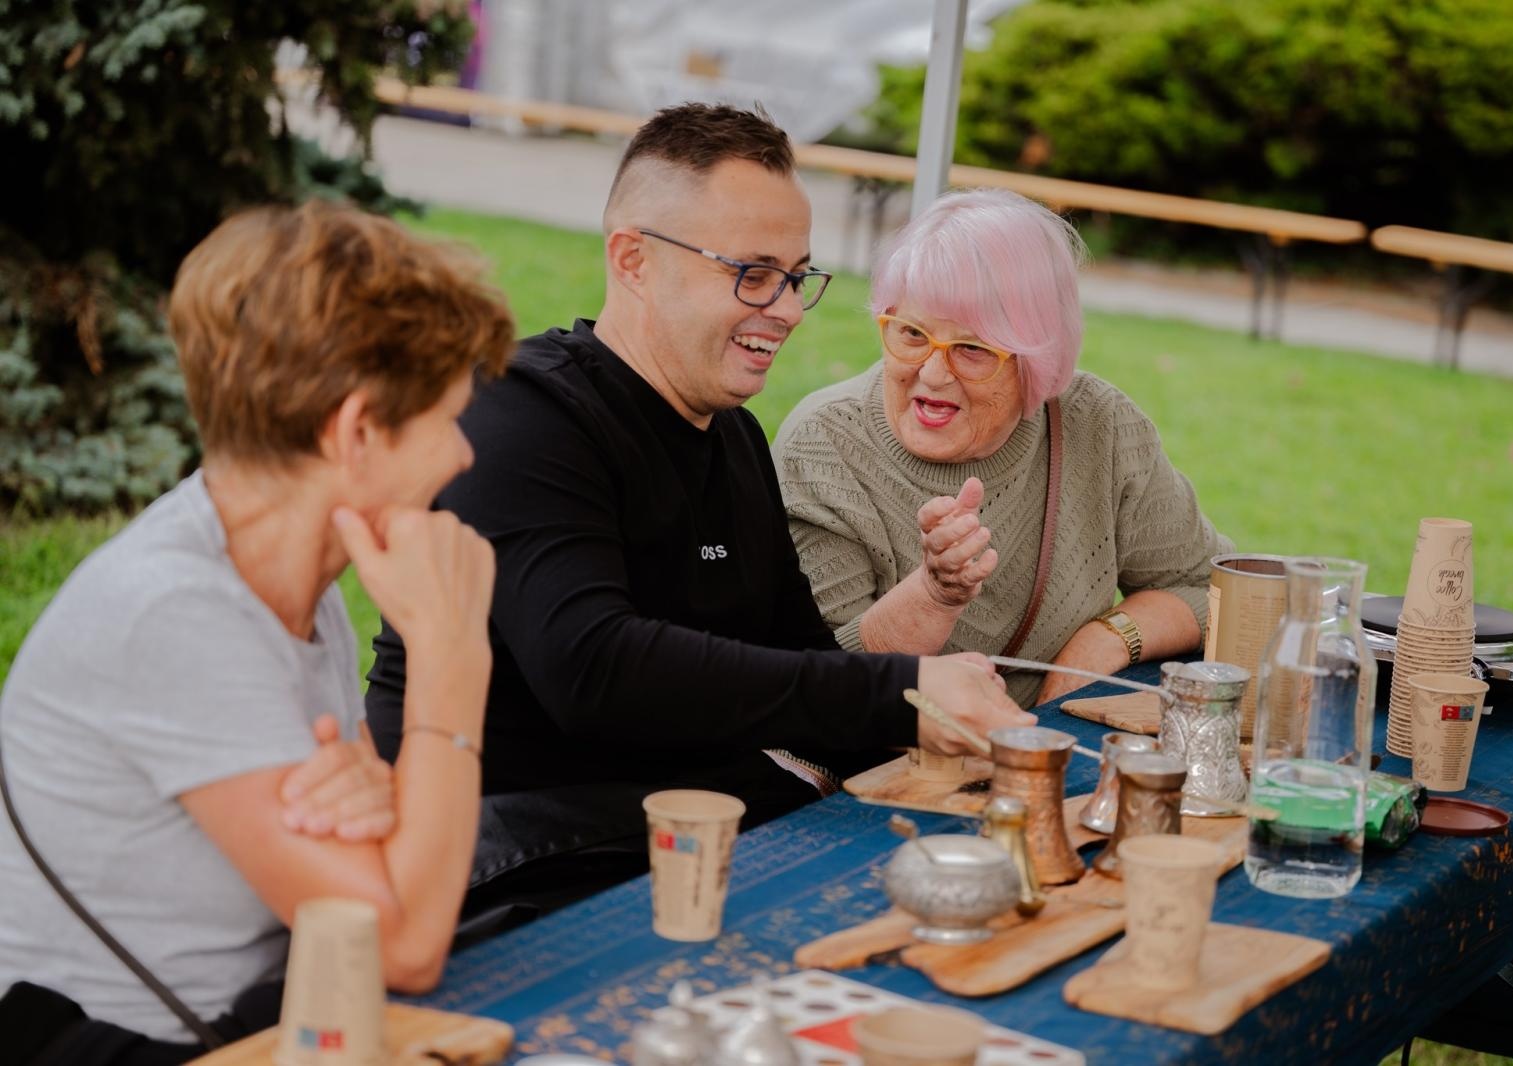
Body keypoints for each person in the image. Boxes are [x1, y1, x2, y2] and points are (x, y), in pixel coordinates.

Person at [364, 104, 1031, 930]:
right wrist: (905, 690)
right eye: (752, 273)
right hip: (516, 876)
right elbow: (594, 671)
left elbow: (804, 679)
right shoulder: (521, 413)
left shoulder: (734, 438)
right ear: (635, 260)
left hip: (680, 843)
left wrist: (941, 685)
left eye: (797, 276)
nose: (786, 308)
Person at [0, 200, 513, 1062]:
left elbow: (392, 869)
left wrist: (384, 806)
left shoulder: (294, 571)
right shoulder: (175, 614)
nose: (463, 454)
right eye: (446, 418)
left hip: (272, 1016)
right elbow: (402, 944)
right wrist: (451, 657)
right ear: (354, 433)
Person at [774, 188, 1231, 709]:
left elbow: (1216, 589)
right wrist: (934, 593)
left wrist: (1104, 640)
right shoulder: (824, 447)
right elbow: (823, 682)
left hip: (1053, 749)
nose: (931, 373)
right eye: (911, 333)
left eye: (972, 349)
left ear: (1037, 358)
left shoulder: (1096, 424)